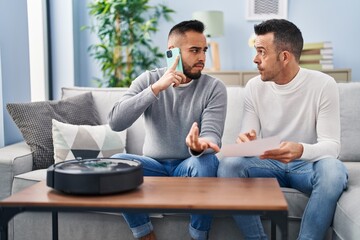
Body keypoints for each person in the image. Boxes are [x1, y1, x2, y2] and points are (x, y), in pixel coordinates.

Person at [217, 19, 348, 240]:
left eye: (261, 52)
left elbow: (332, 146)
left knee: (334, 171)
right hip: (268, 164)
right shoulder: (254, 87)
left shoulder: (324, 85)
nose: (255, 59)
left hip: (307, 165)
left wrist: (300, 150)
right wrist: (246, 143)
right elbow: (248, 137)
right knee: (228, 163)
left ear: (284, 56)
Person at [108, 20, 227, 240]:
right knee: (116, 162)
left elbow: (212, 135)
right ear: (172, 53)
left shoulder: (214, 88)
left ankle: (198, 235)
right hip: (153, 167)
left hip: (189, 166)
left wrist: (200, 146)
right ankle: (144, 233)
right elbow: (116, 121)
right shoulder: (149, 79)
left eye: (204, 50)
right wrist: (155, 89)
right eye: (194, 50)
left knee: (208, 161)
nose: (202, 58)